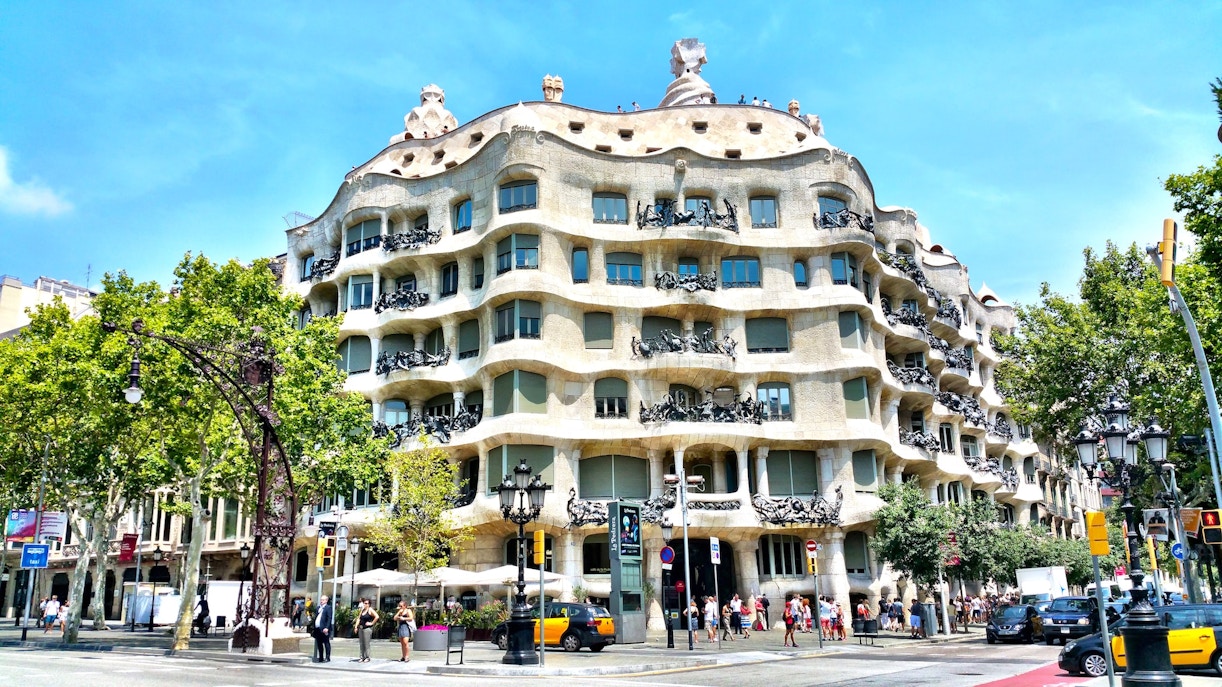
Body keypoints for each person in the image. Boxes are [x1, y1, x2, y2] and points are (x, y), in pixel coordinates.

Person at [353, 597, 378, 662]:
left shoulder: (370, 610)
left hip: (367, 629)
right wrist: (356, 627)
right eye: (364, 603)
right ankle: (362, 656)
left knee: (366, 643)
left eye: (366, 603)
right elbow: (359, 618)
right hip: (361, 628)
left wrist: (371, 623)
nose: (365, 604)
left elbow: (377, 616)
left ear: (369, 604)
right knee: (361, 643)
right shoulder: (362, 610)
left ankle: (367, 657)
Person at [313, 594, 333, 663]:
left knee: (326, 643)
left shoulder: (328, 608)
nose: (321, 601)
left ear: (326, 601)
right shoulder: (318, 608)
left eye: (323, 600)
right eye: (321, 599)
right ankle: (321, 657)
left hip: (324, 629)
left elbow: (329, 618)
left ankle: (327, 657)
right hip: (318, 628)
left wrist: (327, 627)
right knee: (319, 643)